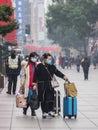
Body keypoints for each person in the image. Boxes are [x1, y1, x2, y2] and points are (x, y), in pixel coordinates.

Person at [34, 53, 68, 119]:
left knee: (51, 98)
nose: (50, 60)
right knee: (43, 99)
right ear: (44, 59)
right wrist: (34, 83)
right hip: (42, 85)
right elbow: (35, 76)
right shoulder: (39, 66)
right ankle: (44, 112)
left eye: (51, 59)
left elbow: (57, 72)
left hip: (50, 85)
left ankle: (50, 111)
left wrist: (63, 76)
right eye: (49, 59)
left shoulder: (52, 66)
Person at [20, 52, 38, 116]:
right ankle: (25, 109)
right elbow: (23, 75)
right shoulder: (26, 65)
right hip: (28, 84)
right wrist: (22, 84)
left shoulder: (37, 65)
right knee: (28, 97)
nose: (35, 59)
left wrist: (36, 84)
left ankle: (33, 111)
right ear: (30, 57)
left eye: (36, 57)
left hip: (34, 85)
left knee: (33, 98)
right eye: (34, 57)